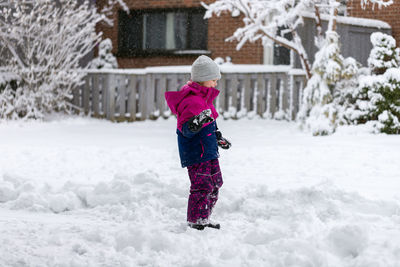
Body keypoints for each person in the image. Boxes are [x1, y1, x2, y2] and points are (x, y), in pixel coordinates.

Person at [165, 55, 231, 230]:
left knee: (216, 183)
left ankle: (204, 216)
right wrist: (197, 121)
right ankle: (196, 220)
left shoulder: (204, 100)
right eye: (213, 80)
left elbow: (211, 123)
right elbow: (185, 129)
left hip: (208, 150)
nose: (216, 83)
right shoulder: (190, 100)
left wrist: (218, 137)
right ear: (202, 79)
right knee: (202, 185)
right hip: (196, 153)